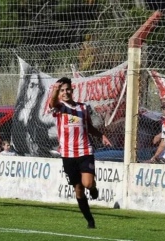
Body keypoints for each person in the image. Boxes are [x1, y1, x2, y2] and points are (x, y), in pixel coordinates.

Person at [49, 77, 112, 229]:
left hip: (85, 150)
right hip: (68, 154)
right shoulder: (59, 108)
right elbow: (52, 103)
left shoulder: (83, 108)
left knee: (87, 183)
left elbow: (88, 127)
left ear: (72, 90)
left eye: (67, 89)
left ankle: (93, 188)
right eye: (62, 90)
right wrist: (55, 90)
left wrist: (101, 136)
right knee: (78, 189)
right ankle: (90, 220)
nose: (65, 93)